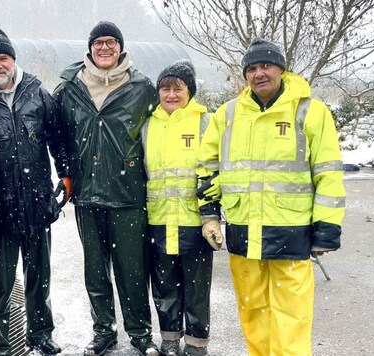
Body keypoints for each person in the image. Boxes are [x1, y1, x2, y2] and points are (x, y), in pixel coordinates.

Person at [196, 38, 346, 356]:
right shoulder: (228, 115)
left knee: (291, 319)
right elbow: (206, 167)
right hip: (243, 234)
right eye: (252, 68)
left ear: (281, 68)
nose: (259, 73)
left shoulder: (311, 112)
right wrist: (209, 214)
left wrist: (327, 228)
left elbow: (328, 173)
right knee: (253, 316)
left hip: (291, 235)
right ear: (245, 75)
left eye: (266, 65)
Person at [0, 26, 71, 356]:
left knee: (40, 278)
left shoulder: (37, 93)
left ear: (13, 60)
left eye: (3, 58)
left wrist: (65, 177)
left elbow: (58, 138)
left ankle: (40, 334)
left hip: (37, 204)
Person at [53, 21, 159, 356]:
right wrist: (67, 173)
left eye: (111, 42)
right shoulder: (71, 87)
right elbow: (59, 137)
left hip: (128, 194)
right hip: (86, 194)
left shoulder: (142, 86)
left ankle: (140, 333)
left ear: (121, 46)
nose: (105, 48)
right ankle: (104, 331)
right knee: (95, 271)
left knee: (132, 270)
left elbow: (159, 135)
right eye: (98, 42)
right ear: (90, 48)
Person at [141, 60, 221, 356]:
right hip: (159, 220)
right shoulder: (149, 125)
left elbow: (212, 171)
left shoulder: (204, 122)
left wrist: (211, 215)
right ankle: (170, 338)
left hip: (193, 221)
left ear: (191, 91)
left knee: (197, 288)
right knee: (165, 286)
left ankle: (197, 343)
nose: (171, 94)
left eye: (178, 88)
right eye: (165, 88)